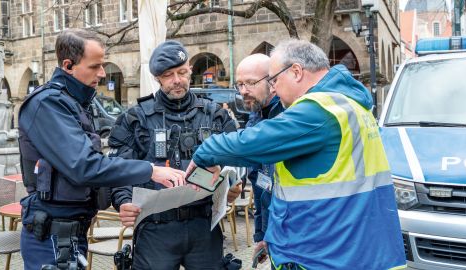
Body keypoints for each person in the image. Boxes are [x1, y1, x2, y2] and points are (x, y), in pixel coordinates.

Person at [188, 39, 406, 269]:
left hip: (325, 254)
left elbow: (251, 144)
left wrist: (205, 152)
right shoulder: (348, 103)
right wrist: (269, 235)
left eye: (274, 80)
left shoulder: (317, 111)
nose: (273, 88)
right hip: (353, 245)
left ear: (296, 71)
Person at [18, 29, 185, 270]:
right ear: (68, 65)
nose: (103, 73)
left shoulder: (73, 102)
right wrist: (150, 170)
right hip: (52, 237)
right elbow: (84, 166)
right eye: (95, 66)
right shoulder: (48, 104)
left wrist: (124, 199)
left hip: (70, 234)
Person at [109, 40, 241, 269]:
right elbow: (120, 170)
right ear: (157, 78)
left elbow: (237, 160)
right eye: (169, 75)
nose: (177, 80)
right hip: (155, 229)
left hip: (204, 227)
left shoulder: (215, 115)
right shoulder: (135, 118)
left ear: (190, 69)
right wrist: (124, 202)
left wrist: (235, 185)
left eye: (181, 72)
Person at [234, 53, 283, 260]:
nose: (243, 91)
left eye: (251, 83)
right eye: (239, 85)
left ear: (273, 82)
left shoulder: (287, 116)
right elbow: (260, 186)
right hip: (274, 237)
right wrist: (262, 236)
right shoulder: (256, 116)